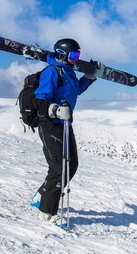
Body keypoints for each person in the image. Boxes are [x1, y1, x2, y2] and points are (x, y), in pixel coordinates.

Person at [29, 38, 97, 224]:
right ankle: (47, 212)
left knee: (71, 165)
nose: (76, 58)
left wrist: (89, 78)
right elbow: (39, 99)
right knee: (59, 167)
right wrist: (55, 110)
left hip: (65, 124)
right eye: (74, 54)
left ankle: (41, 196)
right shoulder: (52, 72)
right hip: (49, 123)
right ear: (62, 54)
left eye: (78, 54)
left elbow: (76, 90)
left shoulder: (69, 73)